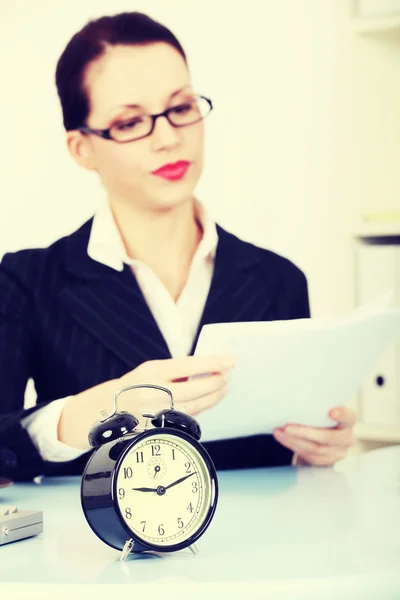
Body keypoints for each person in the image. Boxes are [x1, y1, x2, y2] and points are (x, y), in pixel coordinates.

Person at [0, 11, 355, 482]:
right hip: (97, 552)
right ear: (82, 149)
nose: (169, 138)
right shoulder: (28, 282)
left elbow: (279, 456)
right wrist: (91, 412)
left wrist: (316, 447)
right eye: (130, 122)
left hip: (265, 551)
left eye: (181, 108)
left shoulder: (278, 280)